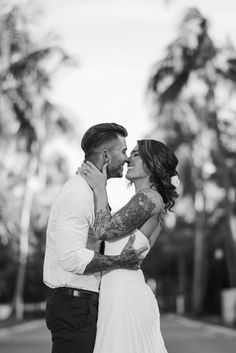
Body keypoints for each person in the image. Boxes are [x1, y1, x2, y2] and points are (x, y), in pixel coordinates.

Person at [43, 123, 148, 353]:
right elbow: (72, 258)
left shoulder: (93, 192)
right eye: (123, 151)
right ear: (106, 155)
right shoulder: (78, 194)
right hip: (74, 307)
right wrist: (120, 261)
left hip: (85, 306)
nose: (127, 159)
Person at [79, 139, 179, 353]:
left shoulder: (148, 198)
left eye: (136, 154)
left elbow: (103, 231)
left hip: (123, 295)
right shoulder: (149, 200)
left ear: (153, 163)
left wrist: (99, 187)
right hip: (120, 290)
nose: (128, 159)